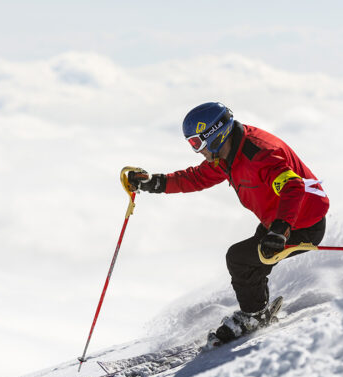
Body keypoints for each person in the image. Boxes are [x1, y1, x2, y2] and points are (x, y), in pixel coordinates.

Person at [127, 102, 329, 345]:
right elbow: (197, 177)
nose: (197, 150)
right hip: (277, 221)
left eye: (196, 143)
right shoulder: (227, 154)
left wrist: (281, 231)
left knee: (239, 258)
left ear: (214, 135)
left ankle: (254, 316)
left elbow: (293, 187)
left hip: (302, 223)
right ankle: (258, 310)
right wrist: (154, 183)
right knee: (250, 264)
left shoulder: (260, 153)